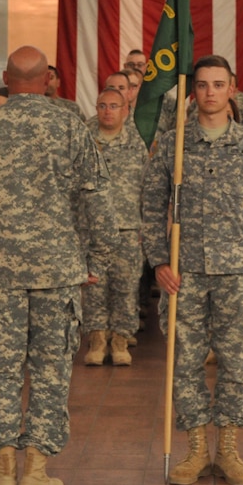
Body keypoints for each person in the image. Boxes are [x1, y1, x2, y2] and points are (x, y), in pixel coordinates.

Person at [0, 46, 115, 485]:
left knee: (0, 374)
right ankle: (36, 473)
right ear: (48, 81)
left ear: (4, 78)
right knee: (51, 373)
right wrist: (92, 263)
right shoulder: (71, 128)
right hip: (58, 275)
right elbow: (100, 206)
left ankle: (3, 475)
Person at [143, 55, 243, 485]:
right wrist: (160, 261)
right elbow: (150, 206)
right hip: (185, 274)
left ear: (232, 90)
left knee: (236, 364)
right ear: (192, 92)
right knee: (184, 363)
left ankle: (230, 450)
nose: (210, 93)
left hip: (237, 271)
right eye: (201, 85)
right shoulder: (172, 145)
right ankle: (197, 449)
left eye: (218, 85)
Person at [82, 87, 148, 366]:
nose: (107, 111)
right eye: (102, 105)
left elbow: (149, 189)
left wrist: (148, 229)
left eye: (113, 106)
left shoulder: (138, 144)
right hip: (90, 229)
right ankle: (97, 341)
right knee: (93, 288)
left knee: (125, 288)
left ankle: (120, 340)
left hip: (128, 228)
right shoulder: (83, 140)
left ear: (125, 110)